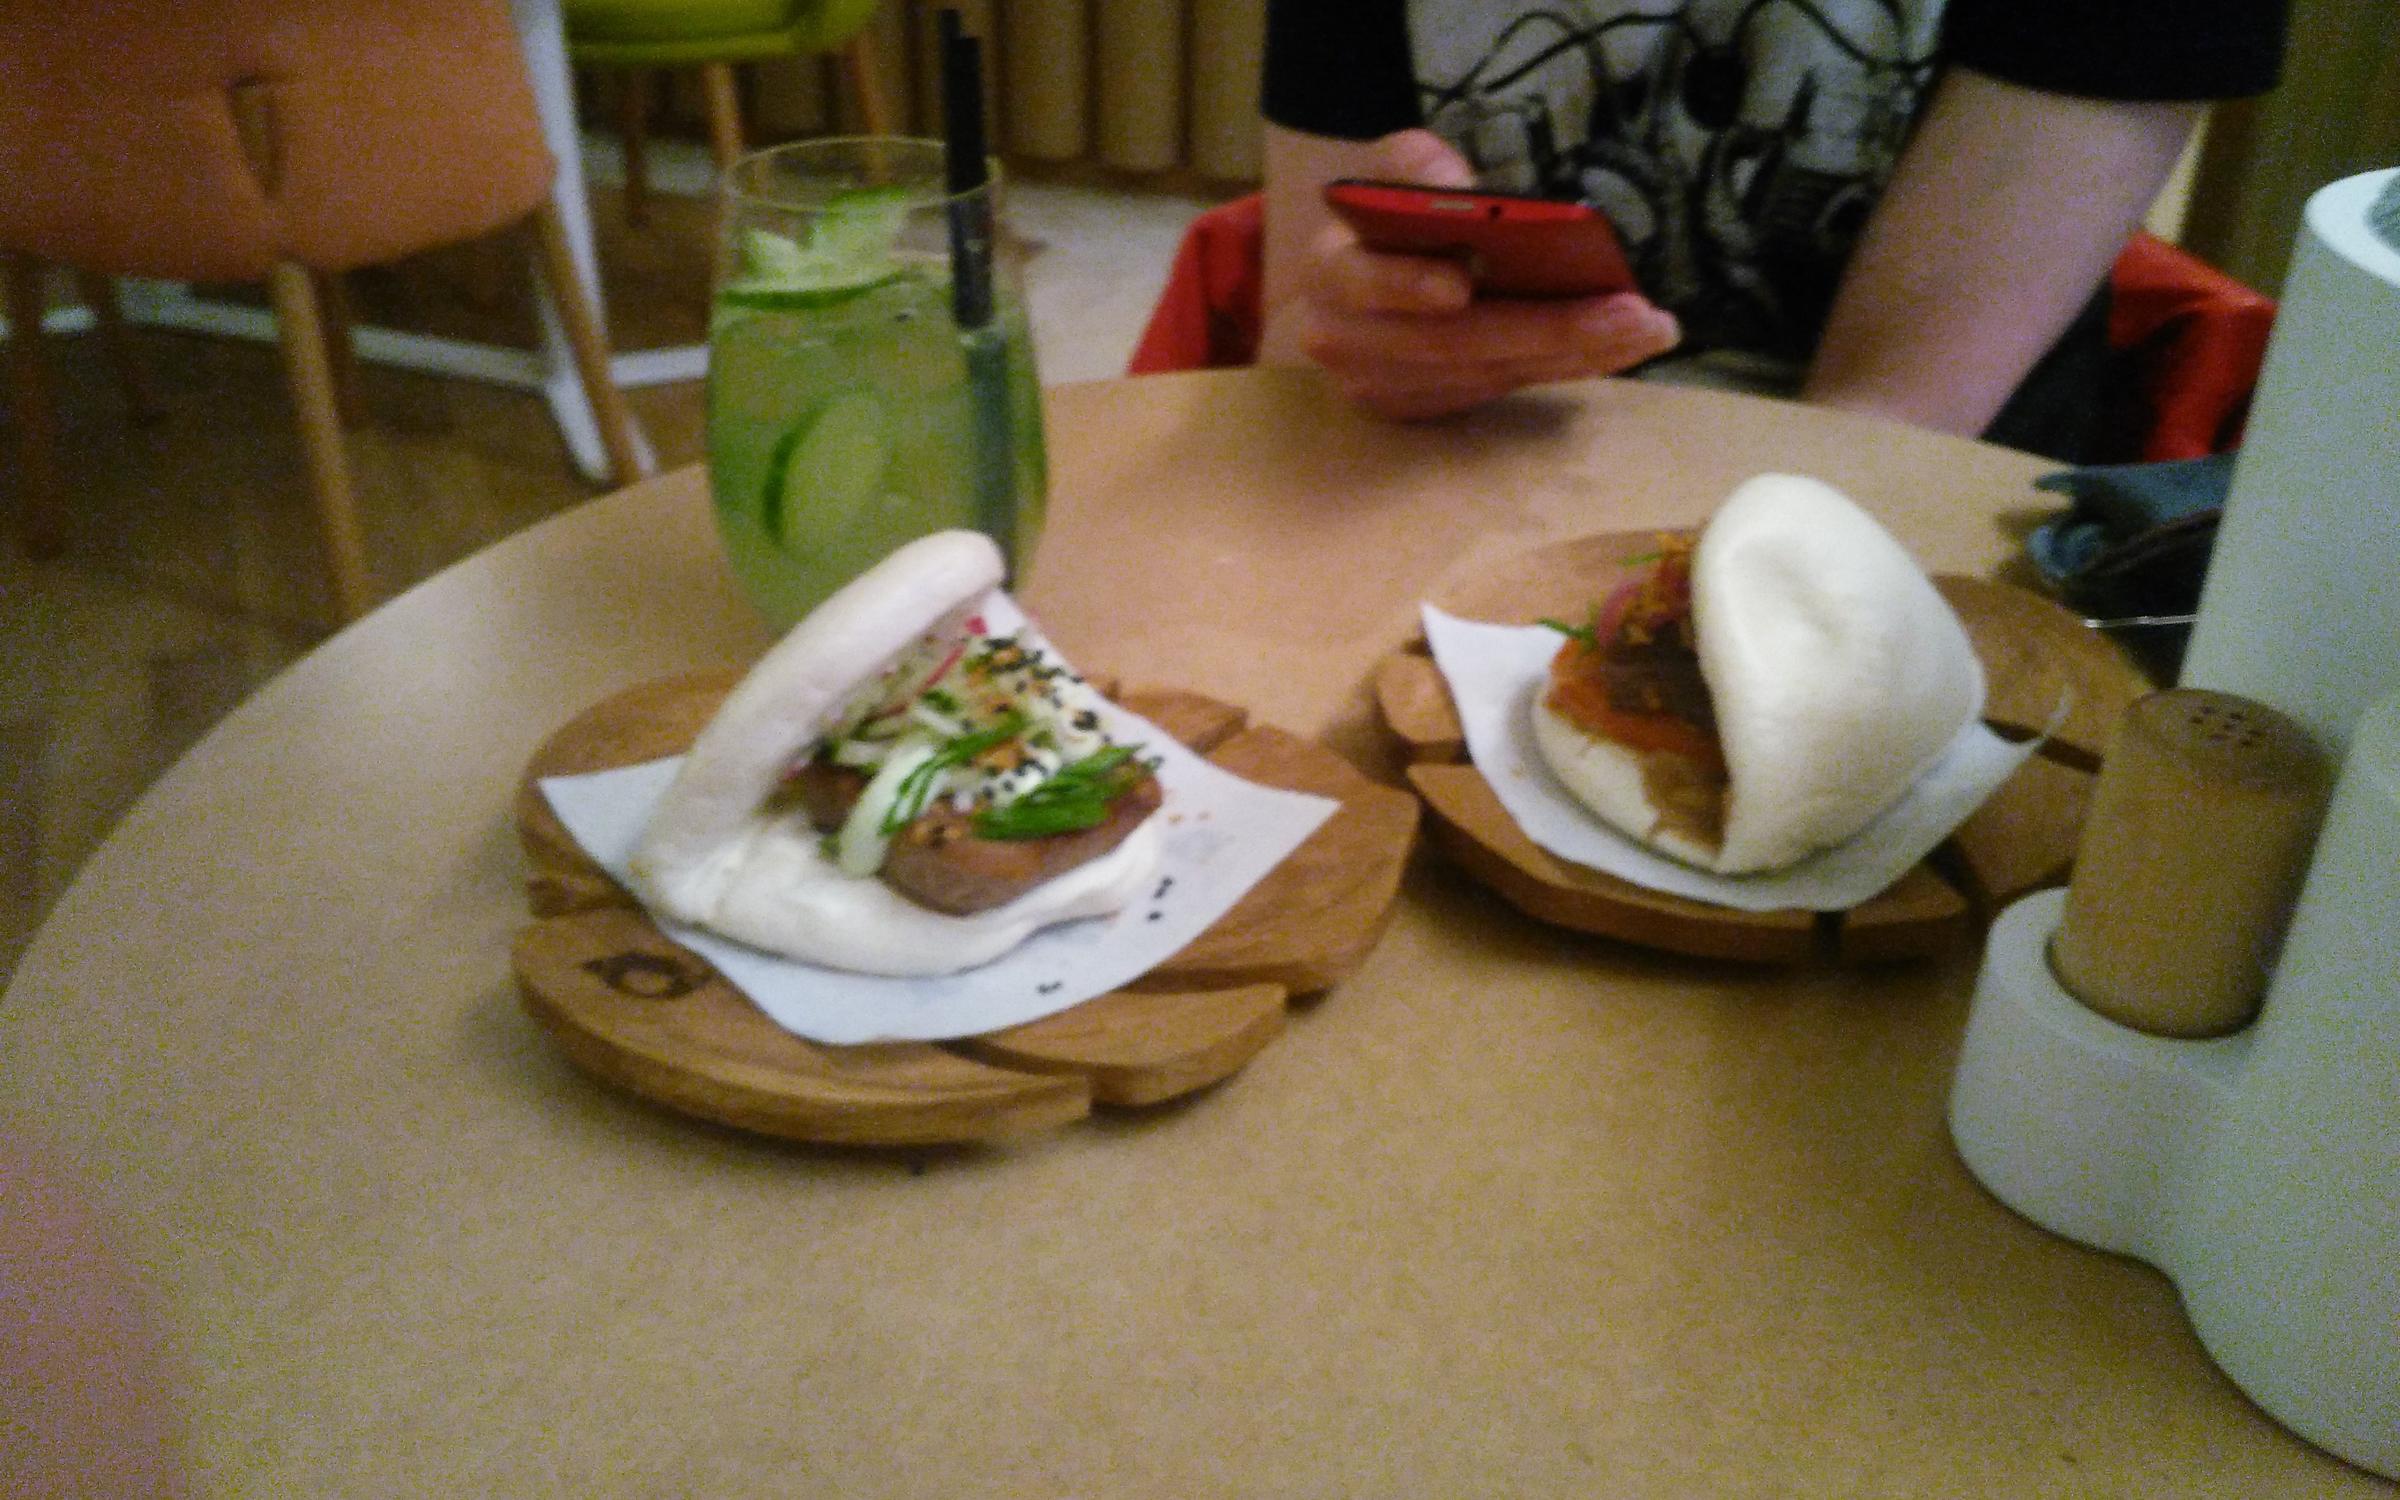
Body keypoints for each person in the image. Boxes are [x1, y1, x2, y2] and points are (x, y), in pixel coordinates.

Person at [1258, 0, 2289, 458]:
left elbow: (1883, 428)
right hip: (1462, 469)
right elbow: (1297, 361)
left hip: (1915, 521)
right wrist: (1365, 342)